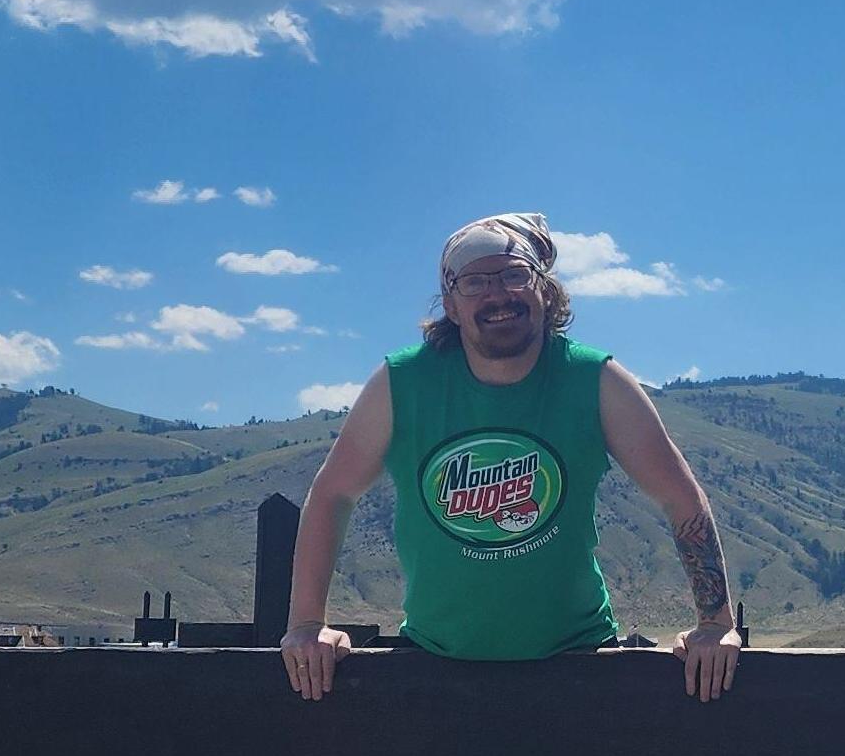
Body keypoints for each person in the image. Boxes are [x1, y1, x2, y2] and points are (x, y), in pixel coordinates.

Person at [278, 213, 741, 702]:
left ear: (545, 290)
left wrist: (715, 624)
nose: (497, 295)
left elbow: (678, 496)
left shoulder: (595, 380)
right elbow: (333, 493)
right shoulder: (403, 383)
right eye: (474, 282)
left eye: (515, 275)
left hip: (580, 661)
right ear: (451, 305)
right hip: (433, 663)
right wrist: (307, 624)